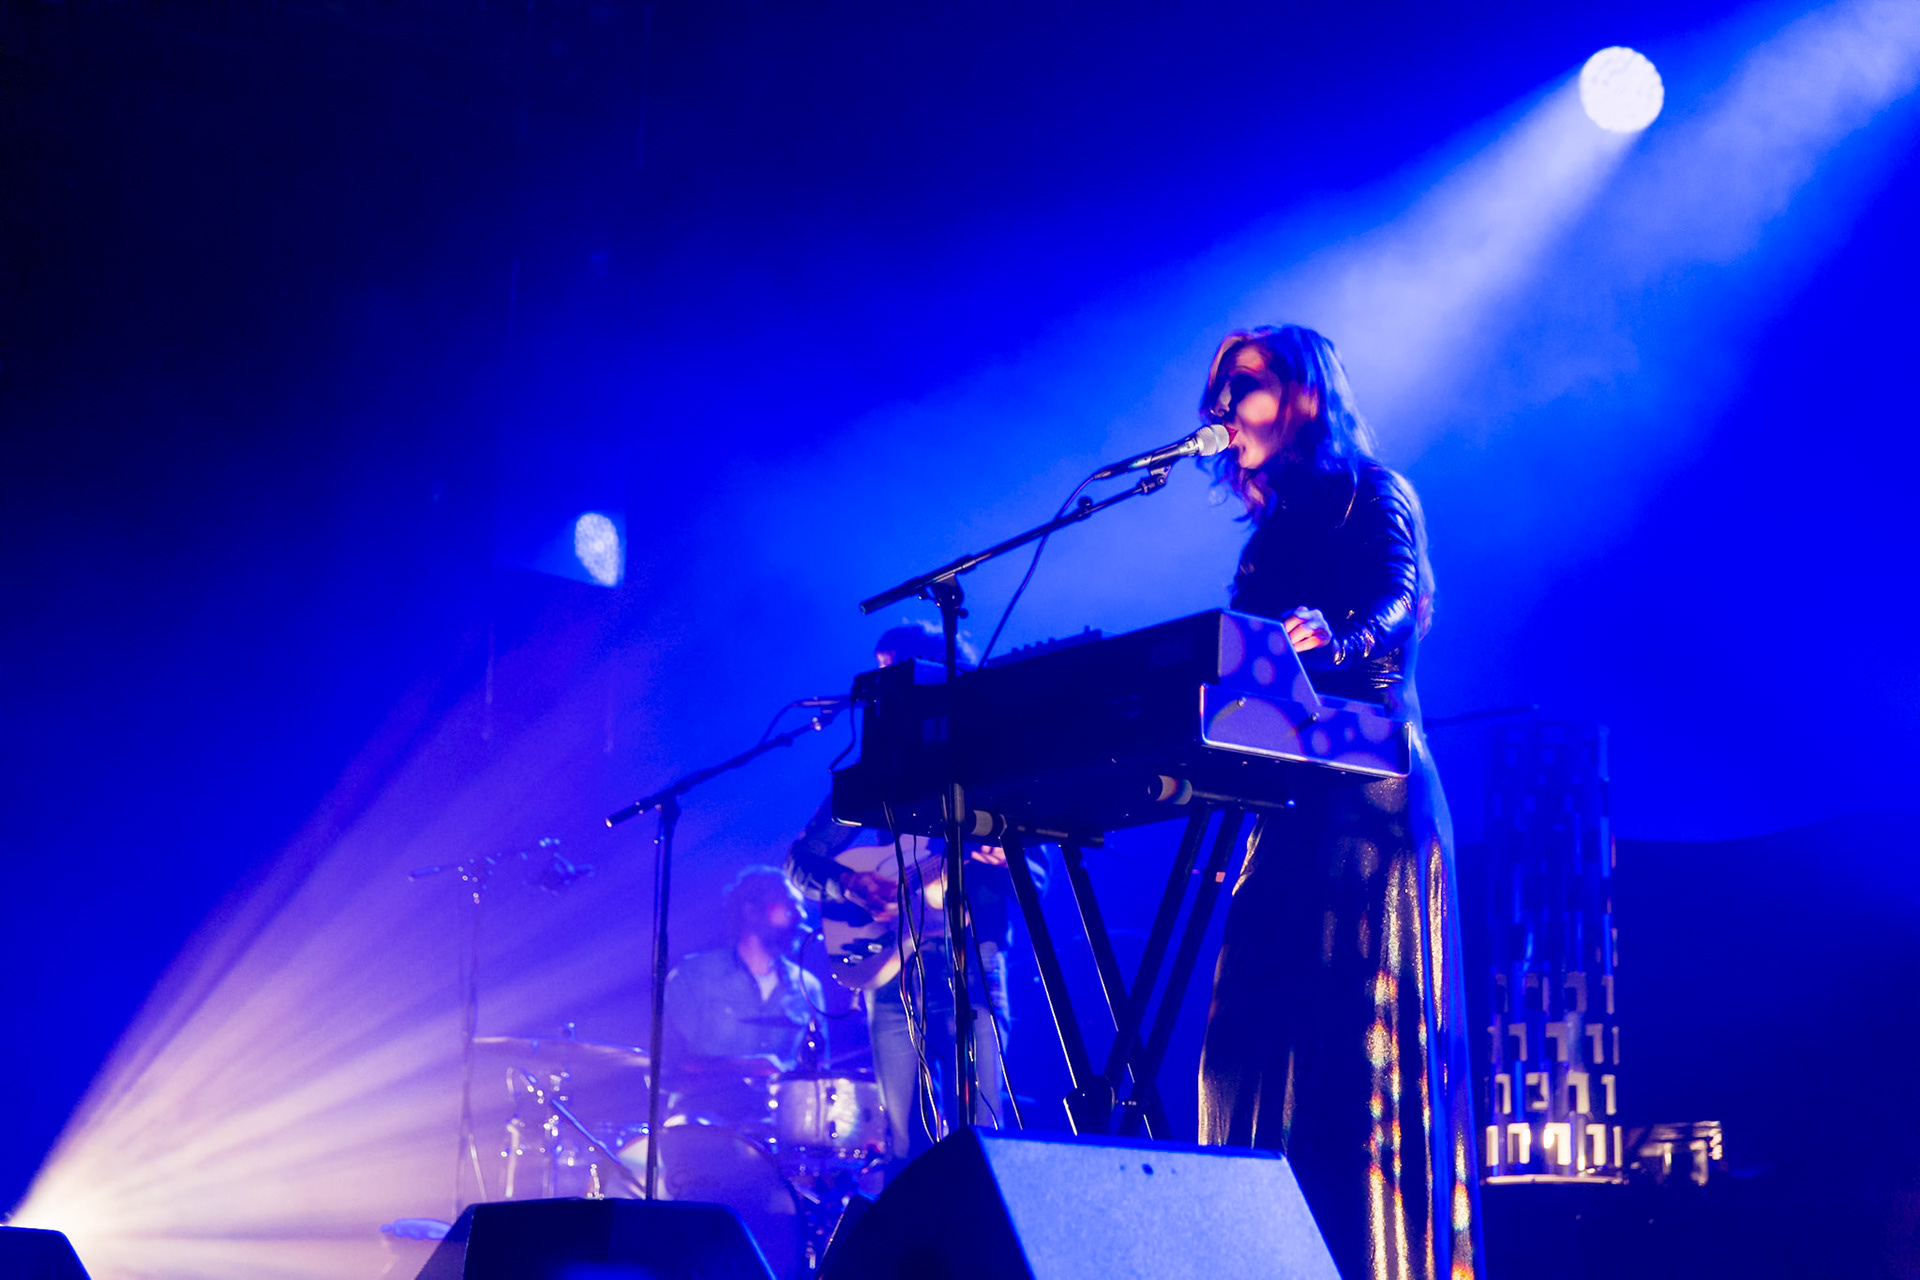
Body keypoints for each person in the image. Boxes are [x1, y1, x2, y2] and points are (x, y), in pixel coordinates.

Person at [1194, 326, 1480, 1280]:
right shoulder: (1268, 537)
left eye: (1244, 385)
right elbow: (1236, 660)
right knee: (1242, 1046)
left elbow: (1398, 605)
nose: (1223, 407)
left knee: (1359, 1062)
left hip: (1372, 803)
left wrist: (1337, 639)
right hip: (1287, 802)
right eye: (1220, 390)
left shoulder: (1375, 491)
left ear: (1304, 396)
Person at [785, 622, 1046, 1170]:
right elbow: (799, 862)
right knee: (904, 1148)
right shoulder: (879, 774)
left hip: (974, 966)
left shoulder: (996, 767)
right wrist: (851, 881)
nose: (881, 685)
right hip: (892, 979)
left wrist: (1007, 858)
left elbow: (1037, 879)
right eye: (880, 671)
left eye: (891, 670)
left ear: (932, 673)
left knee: (982, 1141)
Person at [659, 865, 827, 1131]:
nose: (801, 914)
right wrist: (743, 1067)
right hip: (701, 1127)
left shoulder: (809, 986)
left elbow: (818, 1074)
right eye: (789, 904)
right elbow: (666, 1068)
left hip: (779, 1132)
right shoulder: (694, 975)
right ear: (751, 910)